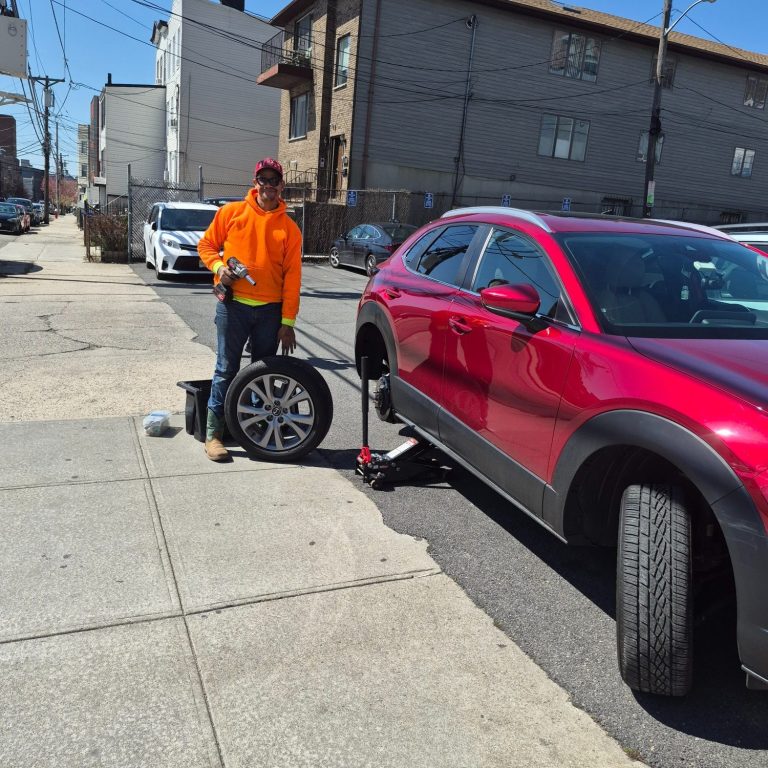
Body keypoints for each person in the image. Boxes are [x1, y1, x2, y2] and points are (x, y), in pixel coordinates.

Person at [197, 157, 302, 461]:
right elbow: (206, 246)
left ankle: (252, 428)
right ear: (255, 183)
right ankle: (213, 435)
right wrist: (220, 269)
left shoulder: (290, 230)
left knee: (262, 373)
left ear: (282, 185)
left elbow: (292, 278)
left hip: (270, 312)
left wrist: (288, 321)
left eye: (274, 180)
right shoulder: (231, 213)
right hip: (234, 307)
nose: (268, 185)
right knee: (226, 369)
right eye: (263, 180)